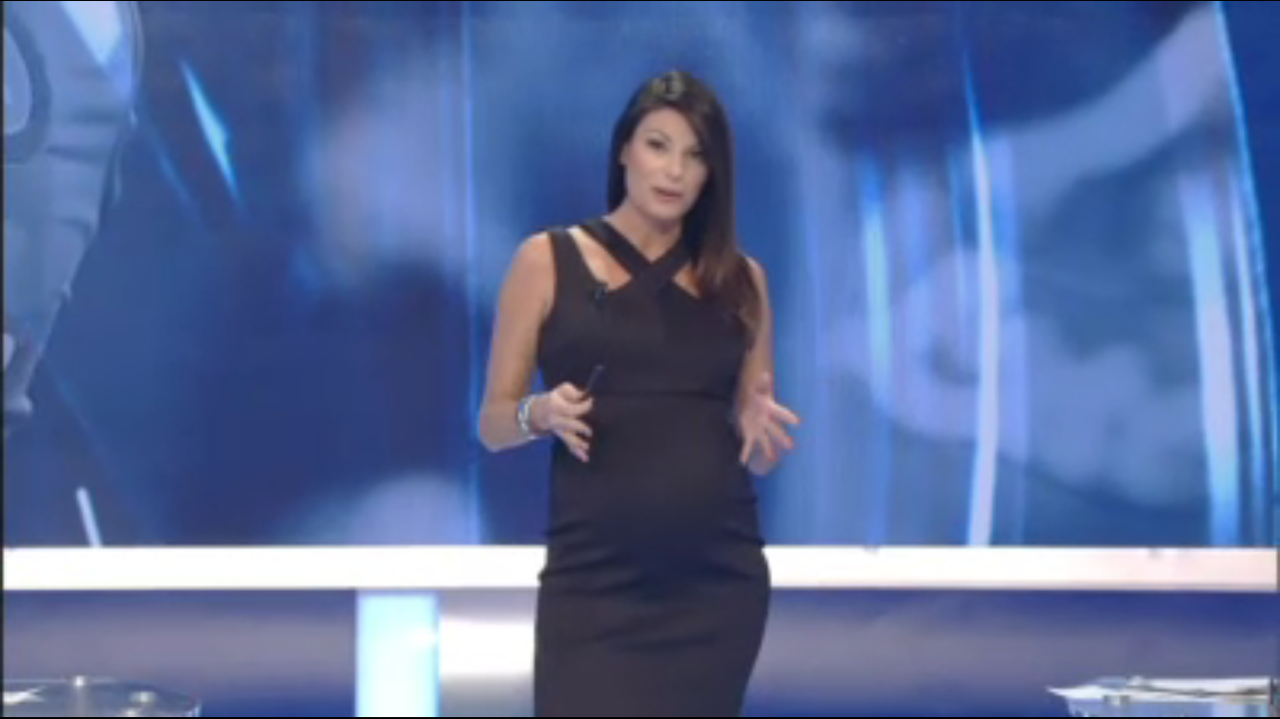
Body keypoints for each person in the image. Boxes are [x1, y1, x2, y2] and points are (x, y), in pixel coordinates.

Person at [477, 69, 800, 716]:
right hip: (593, 583)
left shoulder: (742, 281)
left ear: (712, 174)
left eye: (695, 155)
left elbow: (761, 455)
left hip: (715, 584)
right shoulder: (545, 260)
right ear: (624, 149)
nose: (674, 170)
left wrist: (755, 426)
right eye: (658, 145)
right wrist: (540, 413)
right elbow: (493, 423)